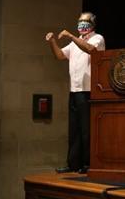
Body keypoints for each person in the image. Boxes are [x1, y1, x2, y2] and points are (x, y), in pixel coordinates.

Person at [45, 12, 105, 174]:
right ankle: (73, 164)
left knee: (87, 129)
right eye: (79, 22)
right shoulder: (75, 43)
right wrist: (52, 42)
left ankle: (87, 163)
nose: (81, 25)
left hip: (88, 91)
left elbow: (90, 49)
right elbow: (59, 56)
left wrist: (71, 36)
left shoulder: (97, 38)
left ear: (92, 25)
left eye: (84, 22)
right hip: (74, 90)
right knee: (74, 129)